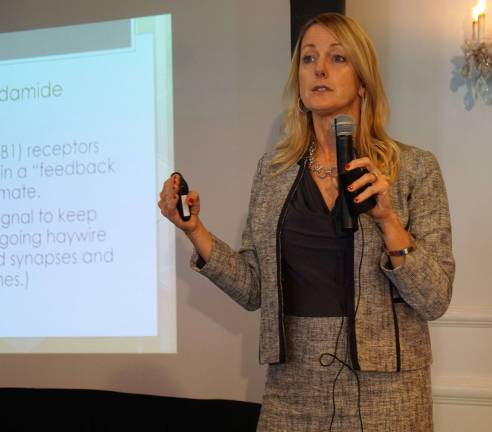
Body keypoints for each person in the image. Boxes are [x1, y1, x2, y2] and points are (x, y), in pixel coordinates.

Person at [158, 12, 454, 432]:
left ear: (363, 81)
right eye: (308, 58)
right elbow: (254, 288)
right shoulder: (273, 172)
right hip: (292, 388)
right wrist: (194, 230)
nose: (319, 68)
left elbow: (435, 298)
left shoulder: (414, 169)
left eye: (337, 58)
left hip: (387, 391)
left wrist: (388, 222)